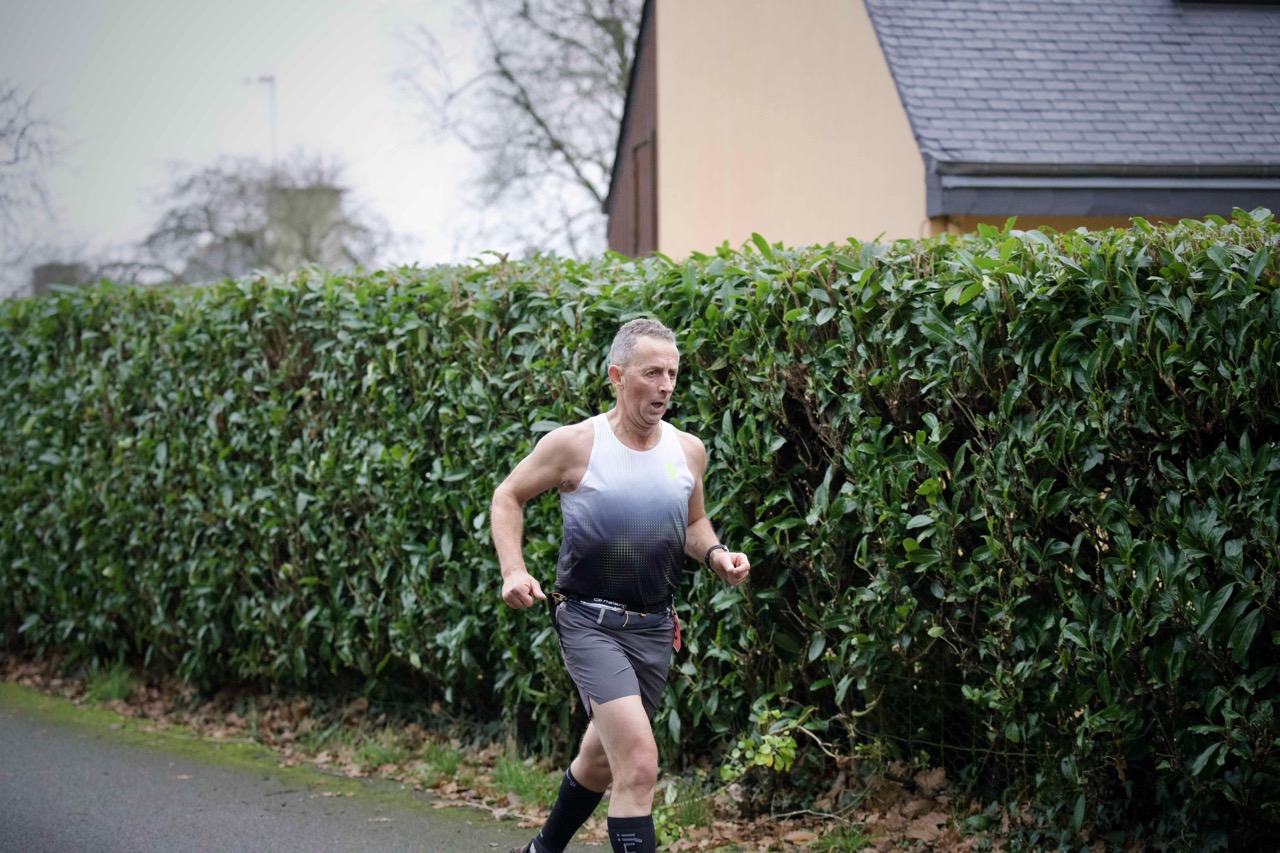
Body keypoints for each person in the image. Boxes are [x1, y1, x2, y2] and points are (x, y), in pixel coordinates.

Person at [491, 317, 751, 853]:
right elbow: (508, 496)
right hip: (589, 621)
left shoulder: (688, 450)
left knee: (600, 759)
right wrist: (513, 570)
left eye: (672, 373)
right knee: (638, 762)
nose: (665, 386)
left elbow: (692, 523)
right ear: (617, 375)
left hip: (653, 628)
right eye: (651, 373)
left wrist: (717, 555)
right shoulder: (575, 445)